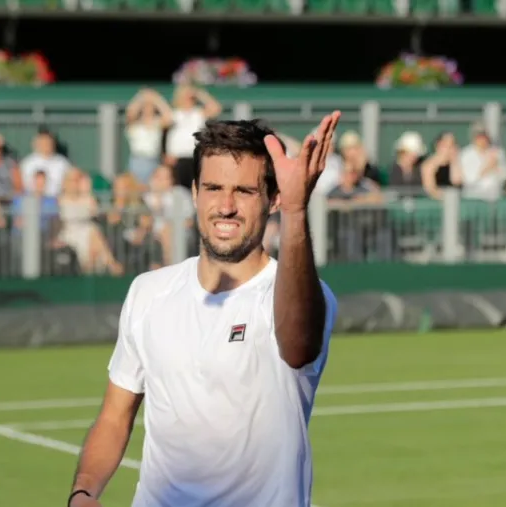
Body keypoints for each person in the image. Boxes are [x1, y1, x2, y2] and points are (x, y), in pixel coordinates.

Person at [68, 115, 341, 507]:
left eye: (245, 191)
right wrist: (84, 491)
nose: (226, 206)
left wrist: (298, 210)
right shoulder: (148, 293)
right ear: (195, 192)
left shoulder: (299, 295)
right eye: (213, 188)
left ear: (274, 198)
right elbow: (114, 417)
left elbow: (299, 345)